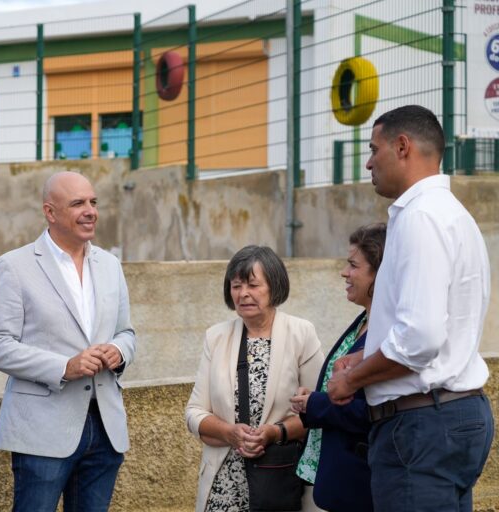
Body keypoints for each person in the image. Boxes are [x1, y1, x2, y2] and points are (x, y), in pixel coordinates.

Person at [327, 105, 494, 511]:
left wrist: (354, 379)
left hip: (421, 426)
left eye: (373, 149)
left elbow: (419, 339)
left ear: (402, 146)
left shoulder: (422, 217)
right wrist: (363, 358)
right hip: (448, 416)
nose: (368, 162)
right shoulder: (453, 215)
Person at [0, 171, 136, 512]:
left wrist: (119, 351)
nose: (90, 210)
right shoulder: (14, 266)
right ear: (50, 212)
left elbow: (127, 333)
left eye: (93, 202)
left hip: (105, 427)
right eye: (78, 203)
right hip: (41, 430)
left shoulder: (110, 265)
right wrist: (64, 366)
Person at [185, 245, 325, 512]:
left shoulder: (301, 333)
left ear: (274, 286)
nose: (243, 294)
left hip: (281, 479)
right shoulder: (216, 337)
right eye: (236, 286)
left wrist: (274, 433)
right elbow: (194, 412)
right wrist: (230, 433)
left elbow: (321, 409)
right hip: (223, 485)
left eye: (252, 285)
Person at [290, 223, 386, 512]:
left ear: (379, 274)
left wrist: (315, 404)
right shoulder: (363, 321)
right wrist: (314, 399)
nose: (344, 272)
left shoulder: (387, 334)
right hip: (343, 480)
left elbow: (374, 410)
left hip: (363, 483)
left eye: (353, 265)